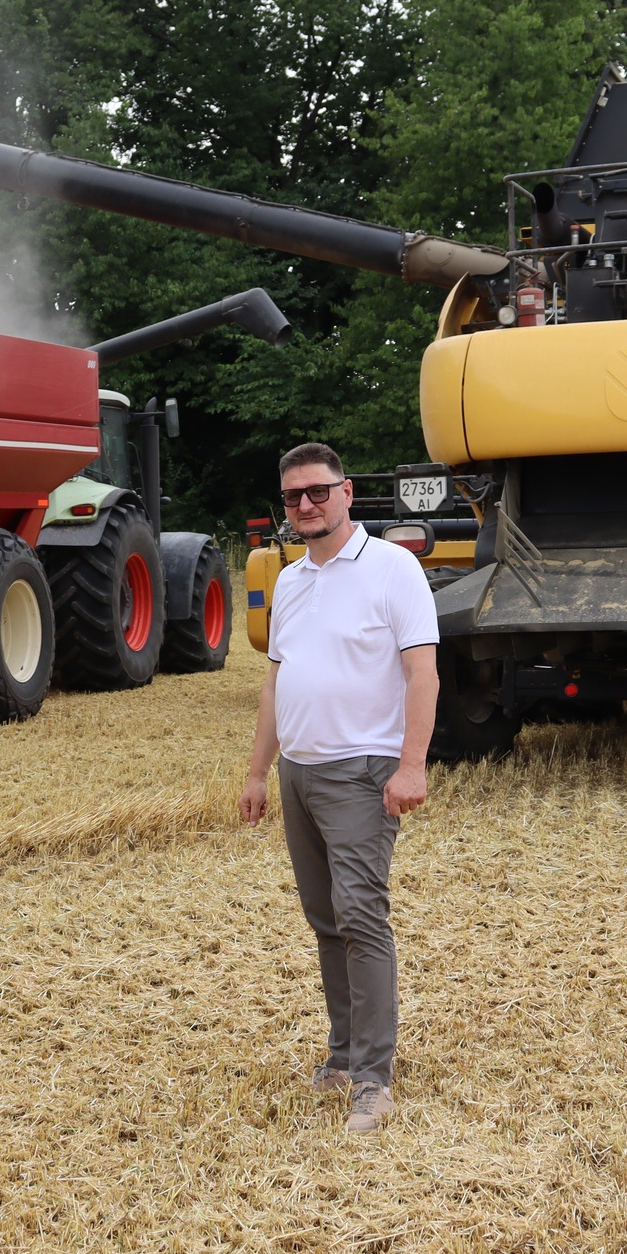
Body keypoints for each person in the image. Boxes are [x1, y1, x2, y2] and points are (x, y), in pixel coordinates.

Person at [240, 442, 439, 1134]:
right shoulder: (291, 580)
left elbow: (422, 672)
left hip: (361, 773)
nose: (306, 505)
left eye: (318, 492)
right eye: (293, 496)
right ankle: (344, 1055)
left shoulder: (393, 568)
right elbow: (276, 680)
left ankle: (374, 1080)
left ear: (347, 492)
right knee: (326, 919)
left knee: (360, 917)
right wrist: (258, 771)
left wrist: (411, 764)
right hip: (298, 772)